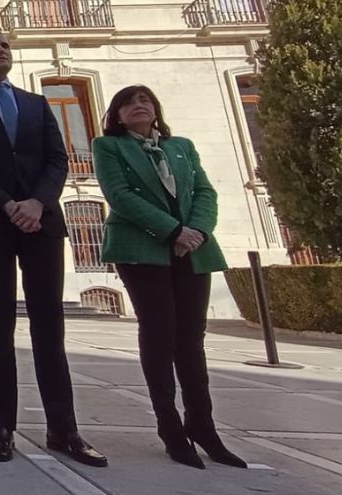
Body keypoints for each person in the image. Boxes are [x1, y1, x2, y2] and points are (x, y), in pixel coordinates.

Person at [0, 31, 106, 467]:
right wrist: (8, 203)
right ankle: (2, 428)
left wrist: (38, 202)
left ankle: (64, 428)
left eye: (5, 46)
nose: (1, 51)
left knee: (49, 327)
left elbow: (59, 159)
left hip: (42, 222)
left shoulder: (37, 104)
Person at [93, 85, 245, 469]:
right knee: (159, 335)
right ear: (117, 116)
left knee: (192, 339)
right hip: (142, 250)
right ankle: (170, 426)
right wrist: (172, 231)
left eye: (144, 100)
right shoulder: (108, 147)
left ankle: (203, 424)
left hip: (192, 250)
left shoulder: (182, 147)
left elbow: (206, 192)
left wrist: (195, 232)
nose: (138, 106)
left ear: (156, 110)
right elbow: (121, 196)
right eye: (128, 103)